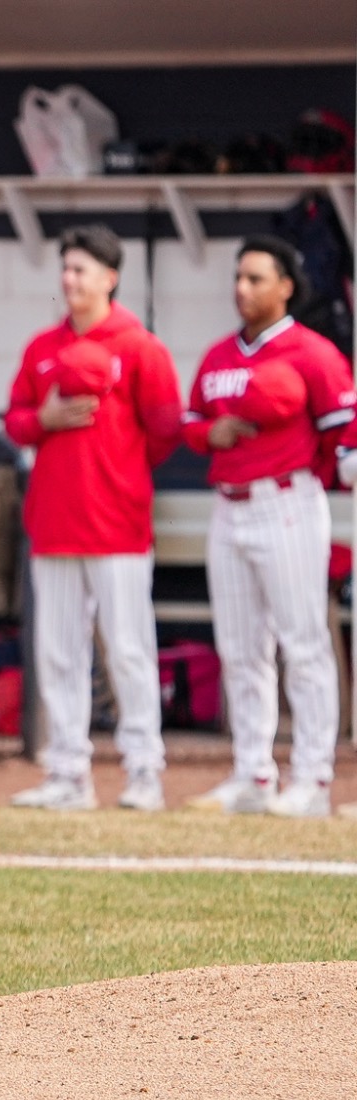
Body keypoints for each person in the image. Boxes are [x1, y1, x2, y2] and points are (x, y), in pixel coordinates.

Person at [3, 226, 182, 813]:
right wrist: (46, 418)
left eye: (80, 270)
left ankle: (143, 770)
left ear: (110, 278)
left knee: (128, 649)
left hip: (117, 523)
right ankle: (67, 773)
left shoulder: (139, 346)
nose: (69, 280)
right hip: (54, 521)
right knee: (58, 651)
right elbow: (17, 422)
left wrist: (120, 471)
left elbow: (164, 431)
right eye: (65, 269)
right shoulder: (40, 347)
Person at [187, 236, 354, 818]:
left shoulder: (312, 352)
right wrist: (212, 434)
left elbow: (345, 428)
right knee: (239, 648)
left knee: (302, 643)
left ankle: (311, 778)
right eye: (238, 277)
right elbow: (191, 422)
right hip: (228, 504)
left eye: (256, 278)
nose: (242, 288)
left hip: (287, 501)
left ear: (286, 286)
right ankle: (253, 774)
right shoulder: (217, 356)